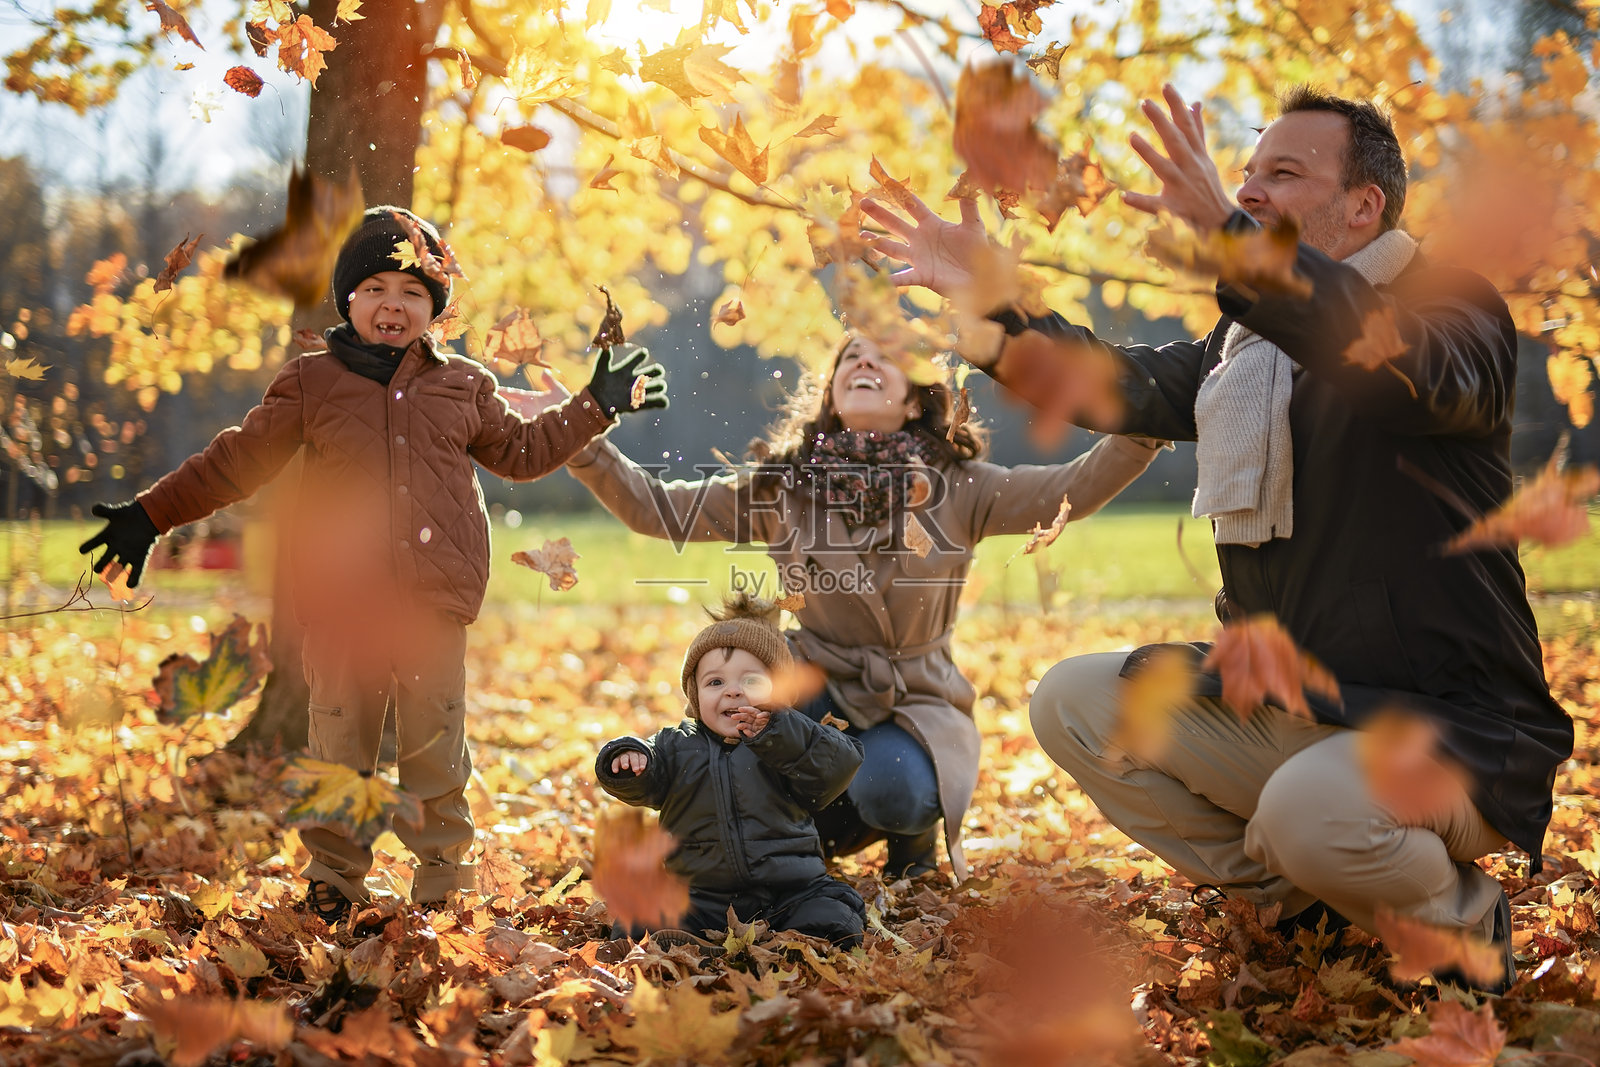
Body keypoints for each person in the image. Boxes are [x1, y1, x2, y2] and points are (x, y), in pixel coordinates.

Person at [864, 84, 1573, 991]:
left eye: (1284, 173)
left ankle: (1465, 929)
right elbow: (1106, 383)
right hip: (1295, 705)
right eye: (1247, 174)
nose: (1251, 192)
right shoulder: (1243, 349)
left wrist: (1240, 245)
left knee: (1309, 812)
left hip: (1449, 728)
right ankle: (1310, 902)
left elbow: (1405, 375)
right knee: (1075, 700)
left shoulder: (1451, 309)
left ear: (1366, 205)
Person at [77, 205, 668, 922]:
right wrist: (150, 514)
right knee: (339, 746)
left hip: (432, 604)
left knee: (435, 748)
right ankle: (334, 879)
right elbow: (236, 460)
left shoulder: (465, 385)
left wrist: (593, 405)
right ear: (348, 299)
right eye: (377, 288)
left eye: (414, 292)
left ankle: (445, 880)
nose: (394, 304)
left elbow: (522, 454)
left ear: (436, 309)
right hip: (342, 604)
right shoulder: (311, 382)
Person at [508, 329, 1162, 881]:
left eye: (885, 356)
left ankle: (913, 839)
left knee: (892, 792)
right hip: (808, 681)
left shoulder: (960, 486)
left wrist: (1145, 422)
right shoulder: (782, 486)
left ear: (913, 400)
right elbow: (658, 509)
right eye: (850, 356)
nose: (864, 362)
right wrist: (583, 436)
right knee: (739, 730)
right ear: (830, 394)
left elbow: (1072, 487)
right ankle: (792, 844)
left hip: (914, 696)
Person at [595, 595, 867, 946]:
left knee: (832, 911)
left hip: (787, 891)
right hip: (700, 895)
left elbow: (837, 765)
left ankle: (803, 943)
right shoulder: (678, 745)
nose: (733, 692)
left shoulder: (789, 739)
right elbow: (651, 774)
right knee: (640, 918)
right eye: (715, 683)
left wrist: (781, 731)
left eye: (751, 683)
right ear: (695, 695)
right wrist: (630, 761)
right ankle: (687, 949)